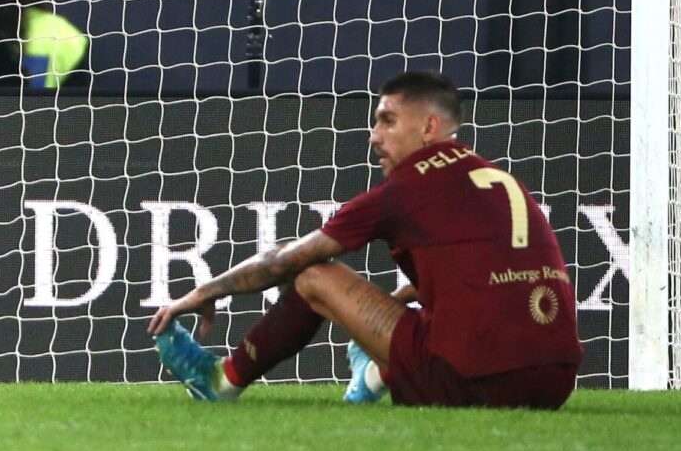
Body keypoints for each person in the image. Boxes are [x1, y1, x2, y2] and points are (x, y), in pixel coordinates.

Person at [147, 70, 582, 409]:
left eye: (387, 121)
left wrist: (203, 292)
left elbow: (285, 261)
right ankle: (373, 374)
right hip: (557, 381)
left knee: (315, 276)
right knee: (437, 312)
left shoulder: (406, 188)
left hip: (475, 384)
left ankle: (222, 381)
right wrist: (386, 308)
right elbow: (477, 277)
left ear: (430, 126)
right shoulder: (496, 177)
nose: (374, 136)